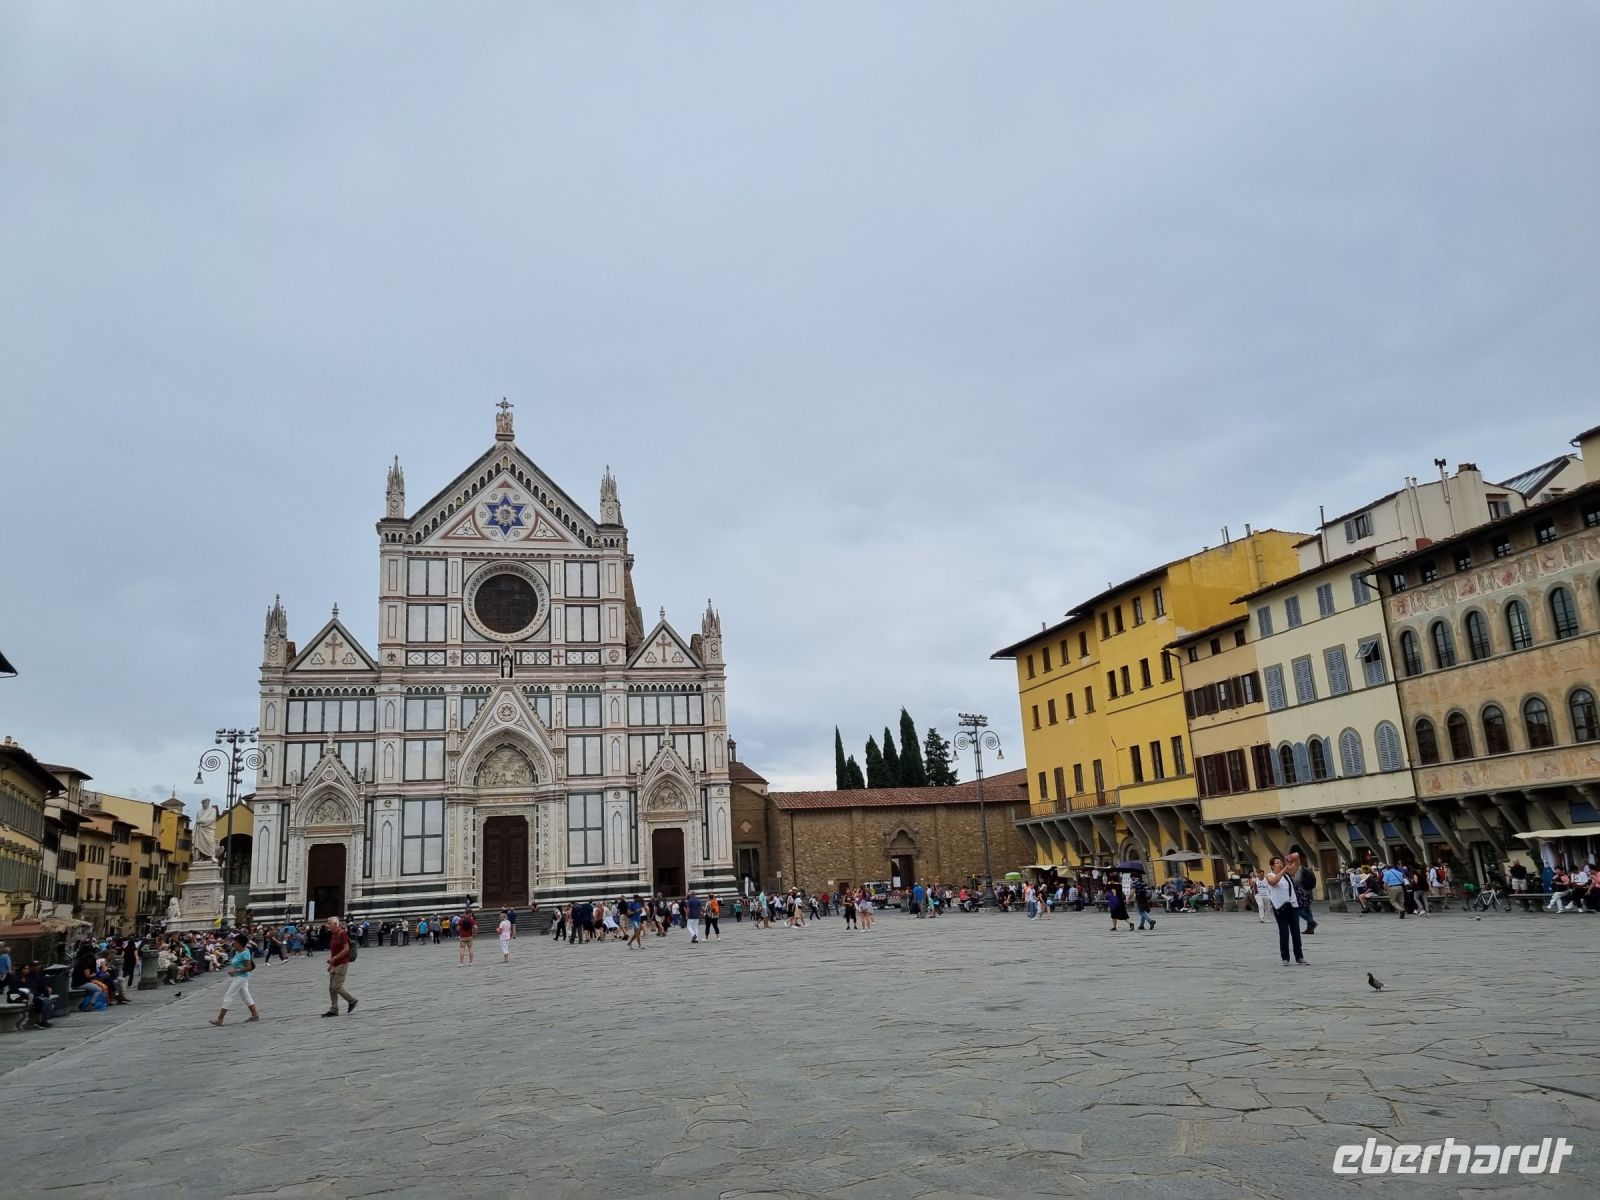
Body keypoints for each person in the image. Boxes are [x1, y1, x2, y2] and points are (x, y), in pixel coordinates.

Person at [209, 932, 261, 1026]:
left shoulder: (245, 953)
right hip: (239, 976)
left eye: (236, 942)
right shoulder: (238, 952)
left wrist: (236, 970)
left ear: (240, 944)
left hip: (241, 977)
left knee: (229, 996)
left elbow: (249, 967)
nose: (234, 944)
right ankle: (255, 1014)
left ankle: (220, 1019)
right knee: (245, 996)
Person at [1264, 855, 1306, 966]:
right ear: (1272, 866)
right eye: (1277, 862)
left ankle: (1299, 957)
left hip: (1293, 906)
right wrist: (1283, 870)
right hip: (1280, 908)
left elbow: (1296, 866)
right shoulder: (1269, 875)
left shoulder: (1287, 875)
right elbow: (1273, 882)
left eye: (1281, 862)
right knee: (1284, 933)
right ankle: (1285, 958)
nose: (1280, 864)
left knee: (1296, 933)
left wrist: (1295, 858)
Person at [322, 916, 357, 1017]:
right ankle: (334, 1009)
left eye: (329, 923)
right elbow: (334, 951)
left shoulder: (342, 933)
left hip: (342, 963)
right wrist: (331, 963)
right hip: (335, 963)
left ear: (335, 924)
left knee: (336, 986)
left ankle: (351, 1000)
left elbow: (346, 949)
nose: (327, 925)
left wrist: (334, 958)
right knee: (331, 988)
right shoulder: (333, 934)